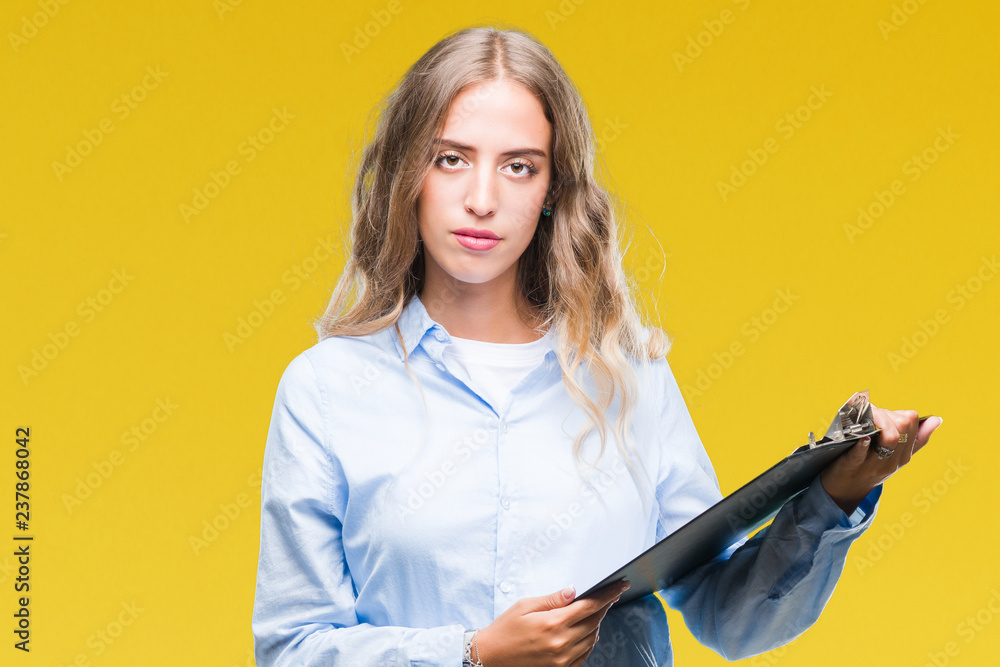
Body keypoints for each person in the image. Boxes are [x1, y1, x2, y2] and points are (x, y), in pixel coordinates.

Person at [251, 25, 942, 667]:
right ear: (409, 175)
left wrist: (834, 493)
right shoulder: (326, 388)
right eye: (452, 159)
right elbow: (291, 647)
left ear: (554, 189)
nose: (483, 198)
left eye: (519, 166)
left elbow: (727, 616)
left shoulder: (629, 376)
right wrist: (471, 652)